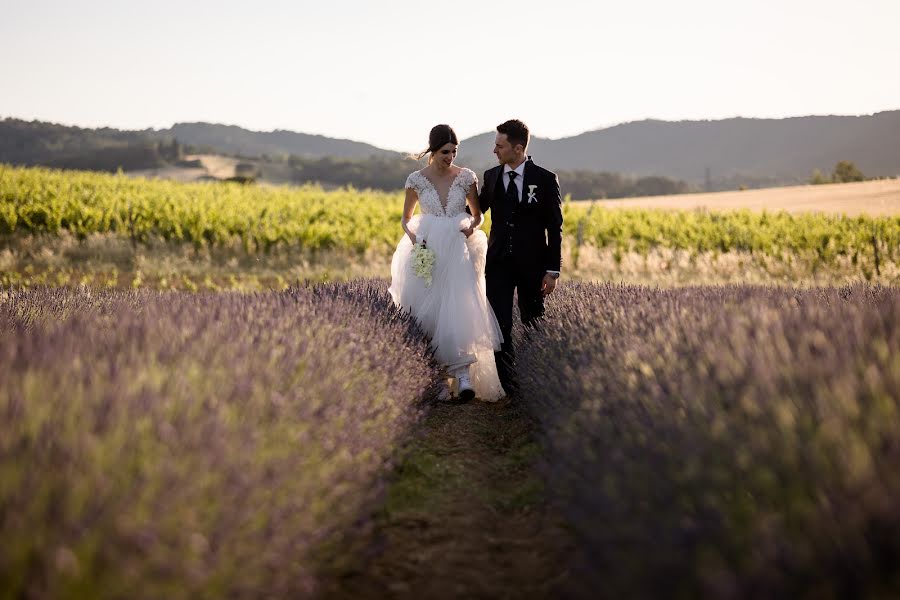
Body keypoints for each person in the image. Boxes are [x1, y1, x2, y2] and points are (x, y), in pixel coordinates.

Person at [388, 124, 505, 402]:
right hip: (428, 248)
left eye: (454, 151)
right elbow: (405, 218)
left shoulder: (466, 178)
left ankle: (463, 376)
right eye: (444, 151)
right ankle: (438, 377)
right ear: (433, 149)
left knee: (459, 308)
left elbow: (478, 216)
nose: (450, 156)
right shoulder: (416, 180)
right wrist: (413, 236)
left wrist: (471, 228)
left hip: (456, 249)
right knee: (428, 311)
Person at [479, 119, 563, 394]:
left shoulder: (545, 179)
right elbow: (475, 212)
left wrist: (552, 270)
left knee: (532, 322)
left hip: (533, 266)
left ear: (517, 148)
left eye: (499, 145)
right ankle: (509, 387)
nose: (495, 151)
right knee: (499, 325)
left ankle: (535, 382)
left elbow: (555, 227)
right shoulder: (490, 177)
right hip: (499, 263)